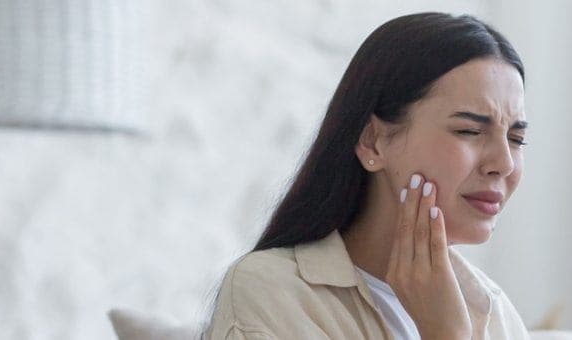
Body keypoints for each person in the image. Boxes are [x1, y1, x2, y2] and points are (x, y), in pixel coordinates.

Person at [206, 12, 531, 340]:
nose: (503, 163)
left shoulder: (493, 311)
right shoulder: (273, 292)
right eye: (469, 130)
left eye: (516, 139)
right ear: (373, 142)